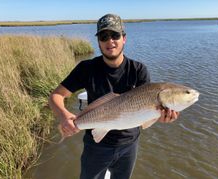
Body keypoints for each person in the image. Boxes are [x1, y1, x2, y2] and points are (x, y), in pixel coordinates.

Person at [49, 14, 179, 179]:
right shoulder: (86, 68)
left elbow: (146, 116)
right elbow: (56, 96)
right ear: (98, 42)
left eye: (115, 35)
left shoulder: (138, 70)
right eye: (104, 36)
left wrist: (161, 117)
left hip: (129, 146)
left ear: (124, 38)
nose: (110, 41)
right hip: (96, 145)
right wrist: (64, 116)